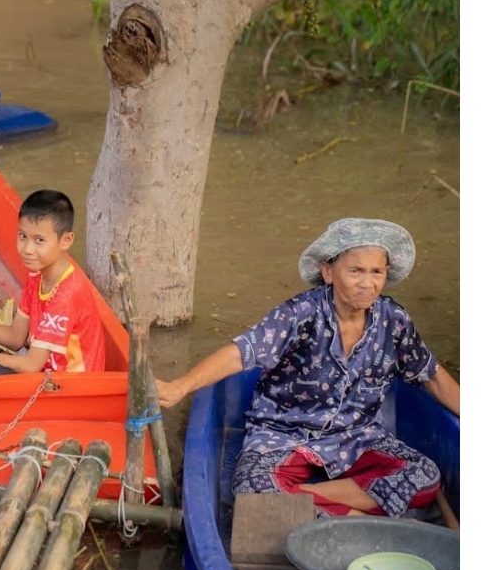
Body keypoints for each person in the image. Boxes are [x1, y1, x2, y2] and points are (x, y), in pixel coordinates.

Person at [156, 217, 460, 518]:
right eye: (355, 271)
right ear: (328, 271)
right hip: (284, 434)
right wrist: (181, 386)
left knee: (425, 477)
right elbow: (241, 352)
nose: (368, 283)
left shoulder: (393, 320)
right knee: (252, 488)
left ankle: (303, 503)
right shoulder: (300, 313)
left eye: (376, 272)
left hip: (356, 436)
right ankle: (355, 519)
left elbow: (431, 375)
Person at [0, 189, 106, 377]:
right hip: (40, 367)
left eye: (39, 240)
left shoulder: (67, 293)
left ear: (66, 241)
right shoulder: (36, 277)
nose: (28, 249)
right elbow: (15, 338)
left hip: (65, 385)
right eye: (23, 236)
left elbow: (30, 365)